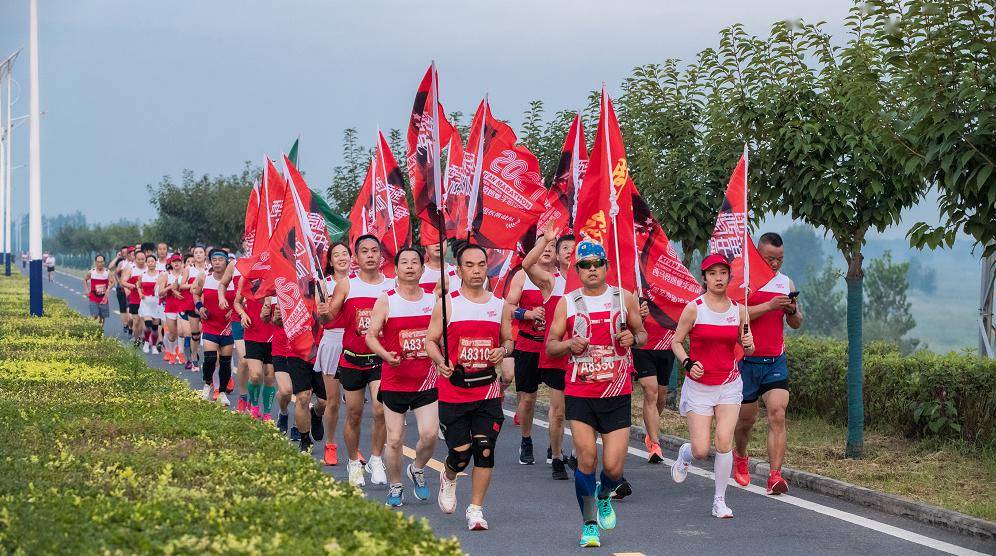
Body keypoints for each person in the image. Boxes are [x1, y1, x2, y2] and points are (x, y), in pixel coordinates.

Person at [546, 239, 646, 548]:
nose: (591, 269)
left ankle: (605, 494)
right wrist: (568, 345)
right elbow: (551, 345)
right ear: (577, 270)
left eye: (597, 264)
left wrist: (633, 337)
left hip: (616, 390)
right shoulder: (568, 302)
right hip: (580, 390)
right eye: (585, 265)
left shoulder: (623, 298)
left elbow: (642, 333)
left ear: (606, 267)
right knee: (587, 459)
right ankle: (589, 523)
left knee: (614, 467)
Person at [425, 243, 513, 531]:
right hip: (454, 391)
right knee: (461, 455)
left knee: (485, 450)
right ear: (459, 269)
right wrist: (440, 360)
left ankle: (476, 509)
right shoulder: (448, 303)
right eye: (470, 265)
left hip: (487, 390)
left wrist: (503, 351)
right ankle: (448, 476)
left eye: (481, 265)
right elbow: (430, 341)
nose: (476, 271)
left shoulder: (498, 305)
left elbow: (508, 340)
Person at [669, 254, 754, 519]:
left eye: (723, 273)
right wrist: (687, 362)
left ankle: (719, 500)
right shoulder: (694, 308)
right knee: (701, 450)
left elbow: (747, 346)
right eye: (712, 273)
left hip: (729, 384)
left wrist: (749, 345)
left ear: (729, 277)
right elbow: (676, 342)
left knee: (724, 442)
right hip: (699, 386)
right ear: (704, 278)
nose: (718, 278)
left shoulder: (740, 310)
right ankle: (684, 454)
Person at [364, 247, 439, 507]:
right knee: (394, 440)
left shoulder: (434, 300)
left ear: (422, 269)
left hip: (426, 379)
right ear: (395, 270)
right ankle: (396, 486)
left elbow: (444, 335)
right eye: (404, 263)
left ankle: (416, 468)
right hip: (395, 379)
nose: (409, 266)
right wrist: (385, 354)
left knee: (429, 435)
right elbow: (371, 335)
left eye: (414, 262)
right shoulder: (387, 300)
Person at [321, 234, 394, 486]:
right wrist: (322, 314)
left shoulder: (391, 286)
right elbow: (329, 318)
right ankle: (353, 462)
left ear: (381, 256)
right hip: (352, 358)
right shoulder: (347, 286)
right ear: (357, 257)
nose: (371, 255)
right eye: (365, 251)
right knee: (354, 414)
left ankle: (375, 458)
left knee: (380, 408)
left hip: (380, 359)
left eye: (375, 251)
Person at [734, 232, 803, 495]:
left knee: (777, 414)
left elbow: (797, 323)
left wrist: (791, 310)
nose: (775, 264)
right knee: (746, 421)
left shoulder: (785, 282)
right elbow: (736, 313)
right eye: (769, 259)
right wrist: (769, 305)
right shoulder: (744, 282)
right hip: (746, 361)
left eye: (780, 259)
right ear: (757, 255)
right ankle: (741, 455)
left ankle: (775, 475)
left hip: (775, 360)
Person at [518, 225, 572, 479]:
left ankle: (580, 455)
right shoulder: (552, 282)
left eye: (576, 249)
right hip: (559, 353)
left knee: (586, 410)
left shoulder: (595, 286)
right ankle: (558, 456)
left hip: (587, 357)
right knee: (558, 410)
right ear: (559, 255)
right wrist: (546, 241)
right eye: (565, 249)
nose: (571, 253)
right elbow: (527, 265)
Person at [504, 235, 554, 466]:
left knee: (559, 402)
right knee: (528, 399)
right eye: (542, 245)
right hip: (528, 345)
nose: (547, 250)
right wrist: (528, 314)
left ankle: (556, 447)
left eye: (552, 246)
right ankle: (526, 440)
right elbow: (509, 307)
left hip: (554, 348)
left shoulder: (562, 278)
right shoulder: (523, 276)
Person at [314, 242, 352, 465]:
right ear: (330, 260)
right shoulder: (323, 284)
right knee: (333, 401)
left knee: (354, 403)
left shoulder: (358, 283)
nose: (341, 258)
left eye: (344, 253)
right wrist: (323, 309)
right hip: (332, 341)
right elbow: (322, 319)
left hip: (355, 342)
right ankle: (330, 444)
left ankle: (352, 448)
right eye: (336, 255)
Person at [193, 249, 236, 406]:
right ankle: (207, 385)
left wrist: (233, 311)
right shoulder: (205, 278)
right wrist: (200, 307)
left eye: (220, 259)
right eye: (214, 259)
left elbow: (242, 300)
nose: (217, 262)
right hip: (210, 323)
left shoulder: (234, 281)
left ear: (226, 262)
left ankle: (222, 392)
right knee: (211, 359)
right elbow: (196, 295)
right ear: (210, 262)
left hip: (227, 327)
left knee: (225, 362)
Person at [182, 246, 208, 373]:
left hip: (207, 304)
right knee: (195, 334)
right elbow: (182, 285)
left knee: (205, 333)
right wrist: (193, 286)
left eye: (201, 252)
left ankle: (207, 360)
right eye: (196, 252)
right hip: (192, 303)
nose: (198, 255)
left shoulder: (210, 269)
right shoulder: (189, 269)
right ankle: (194, 359)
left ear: (205, 255)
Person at [159, 254, 187, 365]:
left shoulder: (185, 274)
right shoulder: (166, 276)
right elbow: (160, 293)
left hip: (182, 306)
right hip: (170, 307)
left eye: (178, 261)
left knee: (181, 332)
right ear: (171, 263)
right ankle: (171, 352)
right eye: (174, 261)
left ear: (181, 263)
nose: (176, 263)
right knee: (172, 333)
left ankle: (180, 352)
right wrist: (170, 287)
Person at [83, 254, 114, 328]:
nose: (100, 264)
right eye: (98, 262)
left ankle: (100, 330)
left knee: (102, 316)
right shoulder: (91, 272)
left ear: (104, 262)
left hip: (103, 297)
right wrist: (87, 290)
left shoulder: (107, 272)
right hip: (93, 297)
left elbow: (113, 282)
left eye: (101, 262)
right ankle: (94, 330)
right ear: (95, 262)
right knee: (95, 315)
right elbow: (85, 279)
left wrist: (108, 289)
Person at [110, 247, 131, 335]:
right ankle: (126, 324)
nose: (125, 254)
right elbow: (111, 268)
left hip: (131, 289)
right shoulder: (121, 263)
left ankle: (130, 326)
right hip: (121, 289)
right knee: (123, 308)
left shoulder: (135, 263)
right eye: (123, 252)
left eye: (127, 252)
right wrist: (120, 282)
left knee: (130, 308)